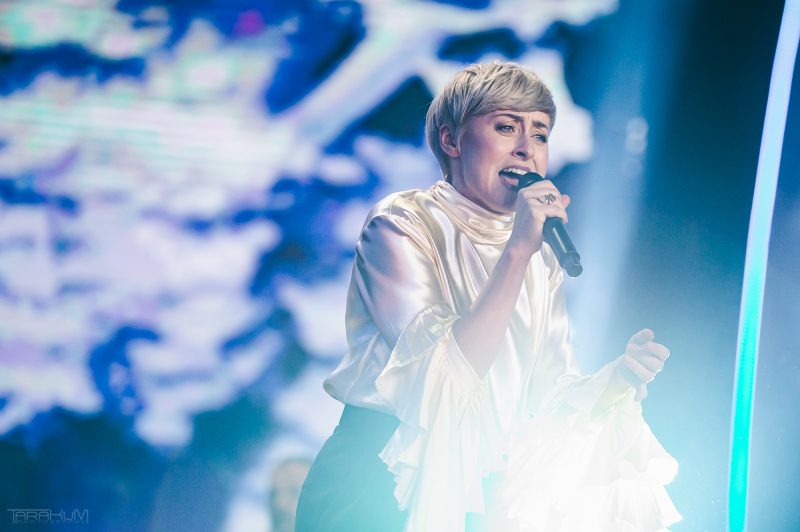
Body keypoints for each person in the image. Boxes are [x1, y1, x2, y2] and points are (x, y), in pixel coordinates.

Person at [295, 62, 680, 532]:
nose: (526, 148)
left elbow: (546, 395)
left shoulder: (538, 255)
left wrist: (616, 380)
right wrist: (518, 251)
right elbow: (444, 374)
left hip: (479, 492)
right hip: (378, 478)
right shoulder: (402, 222)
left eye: (540, 134)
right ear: (451, 141)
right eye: (505, 127)